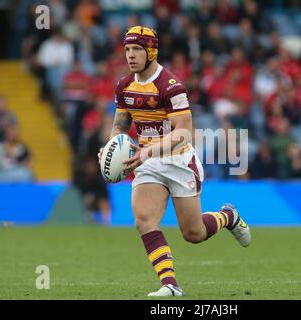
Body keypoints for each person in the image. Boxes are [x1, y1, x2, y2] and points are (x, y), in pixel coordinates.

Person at [97, 26, 251, 297]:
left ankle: (228, 216)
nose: (130, 56)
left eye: (137, 49)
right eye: (127, 50)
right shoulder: (124, 85)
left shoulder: (171, 86)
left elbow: (183, 133)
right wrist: (110, 149)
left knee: (194, 234)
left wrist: (148, 151)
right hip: (147, 163)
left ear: (151, 51)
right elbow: (120, 126)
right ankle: (170, 285)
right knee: (144, 220)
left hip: (178, 161)